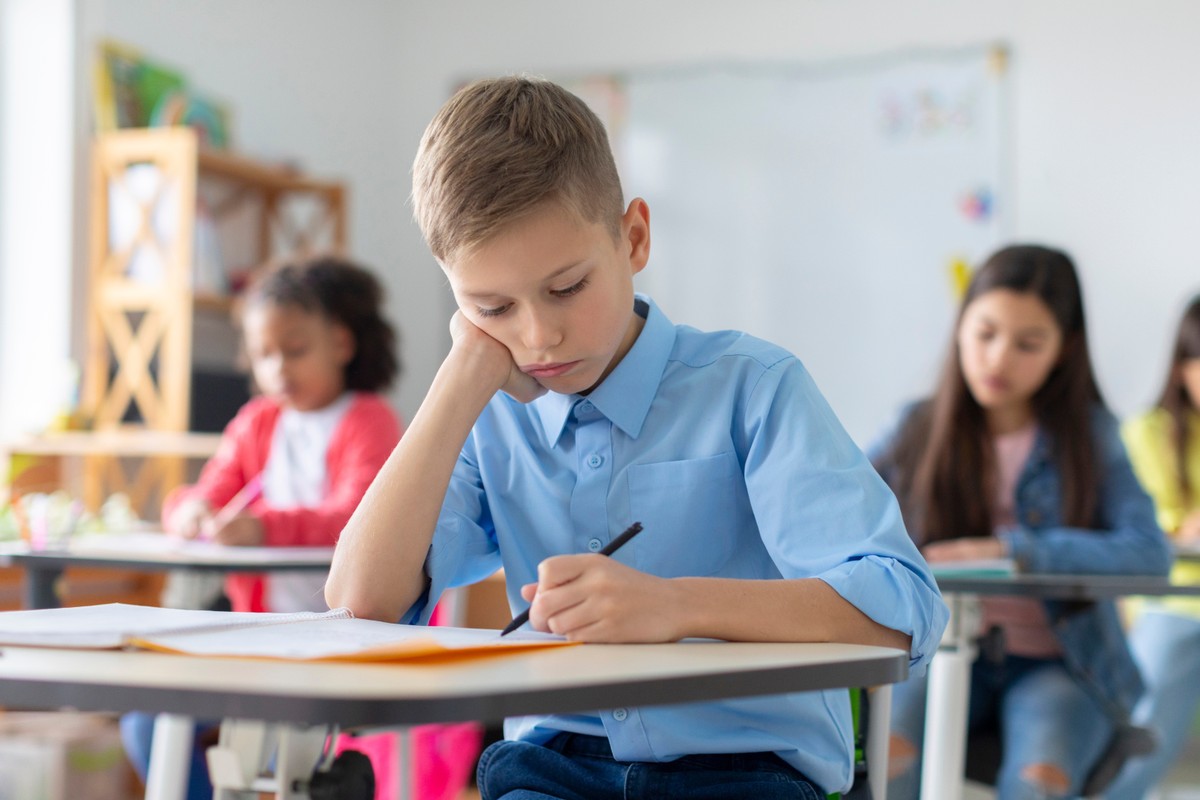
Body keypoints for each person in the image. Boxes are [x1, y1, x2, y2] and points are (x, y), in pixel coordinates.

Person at [325, 75, 949, 800]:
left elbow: (904, 611)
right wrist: (459, 377)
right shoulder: (488, 414)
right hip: (552, 767)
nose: (538, 335)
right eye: (491, 306)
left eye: (566, 288)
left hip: (747, 770)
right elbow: (361, 602)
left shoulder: (753, 387)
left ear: (634, 238)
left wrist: (677, 606)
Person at [870, 245, 1171, 800]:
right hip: (932, 649)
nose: (999, 359)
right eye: (985, 333)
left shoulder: (1093, 434)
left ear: (1063, 350)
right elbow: (837, 511)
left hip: (1060, 662)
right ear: (960, 328)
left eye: (1029, 343)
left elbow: (1149, 553)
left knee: (1039, 783)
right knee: (883, 765)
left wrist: (1011, 550)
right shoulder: (915, 426)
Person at [122, 255, 404, 800]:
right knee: (147, 723)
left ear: (342, 344)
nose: (278, 369)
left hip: (341, 635)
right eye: (262, 356)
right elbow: (202, 491)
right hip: (261, 632)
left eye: (295, 351)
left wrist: (263, 527)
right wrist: (192, 513)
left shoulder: (369, 419)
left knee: (283, 752)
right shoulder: (257, 422)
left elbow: (359, 519)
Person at [1105, 294, 1200, 800]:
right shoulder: (1148, 431)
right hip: (1172, 604)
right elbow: (1150, 535)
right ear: (1183, 367)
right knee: (1151, 706)